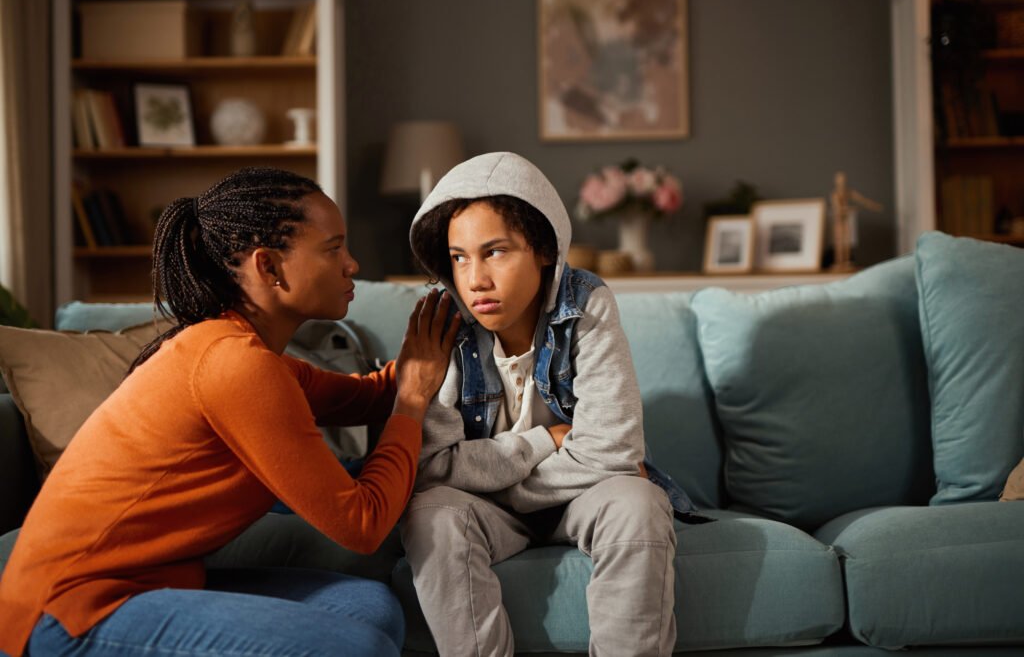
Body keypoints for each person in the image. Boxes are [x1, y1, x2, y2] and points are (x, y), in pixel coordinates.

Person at [0, 167, 460, 657]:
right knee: (357, 644)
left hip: (157, 584)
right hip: (69, 608)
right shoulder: (234, 366)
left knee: (368, 606)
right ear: (269, 268)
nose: (352, 264)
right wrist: (412, 401)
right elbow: (362, 525)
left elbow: (366, 396)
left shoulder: (252, 357)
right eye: (333, 248)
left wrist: (457, 337)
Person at [403, 152, 699, 657]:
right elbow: (431, 469)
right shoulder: (443, 328)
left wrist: (504, 482)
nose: (475, 279)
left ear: (543, 250)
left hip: (577, 501)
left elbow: (613, 453)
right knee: (431, 513)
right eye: (459, 257)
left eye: (495, 251)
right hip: (492, 508)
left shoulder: (587, 305)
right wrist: (542, 441)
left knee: (639, 502)